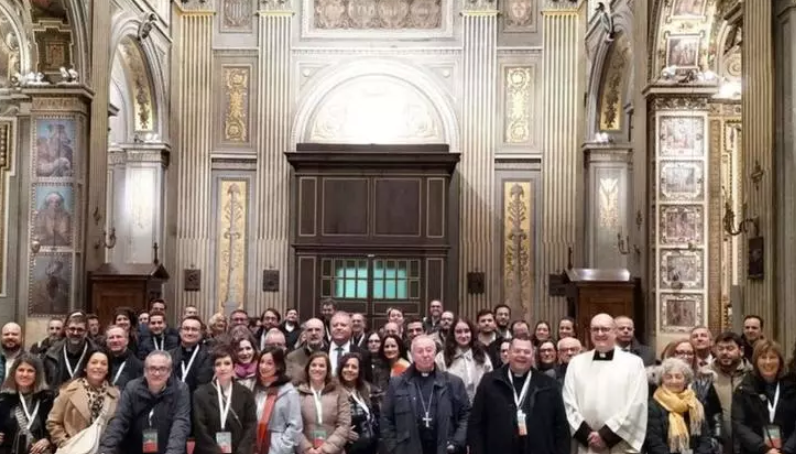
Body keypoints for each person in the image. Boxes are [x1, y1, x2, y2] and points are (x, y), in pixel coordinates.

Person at [468, 335, 570, 454]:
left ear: (533, 355)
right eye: (517, 351)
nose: (522, 355)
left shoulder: (549, 385)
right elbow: (476, 423)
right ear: (509, 353)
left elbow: (561, 428)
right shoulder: (489, 381)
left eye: (527, 352)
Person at [563, 313, 648, 454]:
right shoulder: (576, 363)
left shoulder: (633, 363)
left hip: (620, 444)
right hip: (587, 446)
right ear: (589, 332)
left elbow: (636, 405)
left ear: (615, 332)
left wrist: (606, 437)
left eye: (605, 329)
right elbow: (569, 403)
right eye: (595, 329)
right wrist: (589, 437)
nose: (600, 333)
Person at [380, 335, 470, 454]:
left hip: (445, 448)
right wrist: (395, 448)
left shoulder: (453, 382)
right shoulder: (397, 383)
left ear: (435, 353)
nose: (425, 355)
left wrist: (456, 443)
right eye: (420, 351)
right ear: (412, 355)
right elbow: (386, 418)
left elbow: (466, 415)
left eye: (429, 350)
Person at [98, 351, 191, 454]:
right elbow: (120, 421)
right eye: (152, 368)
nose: (157, 373)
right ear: (145, 371)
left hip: (167, 449)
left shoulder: (181, 389)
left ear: (169, 372)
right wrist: (105, 450)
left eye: (162, 369)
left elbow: (180, 425)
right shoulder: (132, 388)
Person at [732, 340, 796, 454]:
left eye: (772, 357)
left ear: (780, 362)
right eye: (763, 357)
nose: (768, 362)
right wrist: (764, 449)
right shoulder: (743, 389)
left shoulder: (792, 388)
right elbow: (739, 425)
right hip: (755, 450)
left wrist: (787, 450)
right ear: (756, 361)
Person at [47, 350, 120, 449]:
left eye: (103, 364)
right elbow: (53, 422)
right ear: (85, 367)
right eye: (94, 362)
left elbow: (117, 427)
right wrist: (65, 442)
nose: (98, 366)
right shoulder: (69, 390)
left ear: (107, 370)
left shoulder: (115, 396)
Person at [193, 347, 257, 454]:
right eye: (218, 364)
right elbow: (200, 430)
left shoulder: (246, 394)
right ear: (213, 368)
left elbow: (250, 426)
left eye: (227, 363)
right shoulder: (200, 394)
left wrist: (242, 451)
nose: (222, 368)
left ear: (234, 366)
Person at [645, 358, 713, 454]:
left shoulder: (695, 403)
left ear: (685, 380)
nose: (674, 381)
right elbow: (654, 441)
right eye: (669, 377)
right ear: (662, 380)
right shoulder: (653, 405)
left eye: (678, 377)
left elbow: (705, 437)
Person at [296, 352, 350, 454]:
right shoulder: (296, 393)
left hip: (334, 451)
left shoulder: (338, 392)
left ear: (327, 370)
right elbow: (294, 426)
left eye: (322, 366)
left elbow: (344, 425)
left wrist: (325, 450)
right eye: (314, 365)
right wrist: (307, 450)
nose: (317, 369)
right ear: (308, 368)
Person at [252, 346, 302, 454]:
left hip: (277, 448)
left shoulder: (289, 392)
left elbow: (295, 426)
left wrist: (283, 448)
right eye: (262, 362)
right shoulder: (255, 388)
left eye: (269, 363)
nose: (263, 366)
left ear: (278, 366)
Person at [0, 354, 53, 454]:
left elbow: (55, 426)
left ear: (38, 374)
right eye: (21, 370)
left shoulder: (47, 399)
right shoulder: (3, 399)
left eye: (30, 371)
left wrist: (48, 440)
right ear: (14, 373)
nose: (25, 374)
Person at [435, 318, 492, 403]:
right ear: (452, 334)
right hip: (450, 406)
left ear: (472, 333)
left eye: (467, 331)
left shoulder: (482, 356)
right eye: (458, 332)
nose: (463, 335)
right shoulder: (441, 357)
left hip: (478, 406)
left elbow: (490, 384)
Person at [337, 353, 378, 454]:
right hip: (346, 447)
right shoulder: (333, 391)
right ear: (340, 369)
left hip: (369, 445)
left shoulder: (365, 389)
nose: (350, 369)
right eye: (346, 366)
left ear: (359, 371)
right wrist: (342, 433)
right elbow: (325, 420)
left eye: (354, 367)